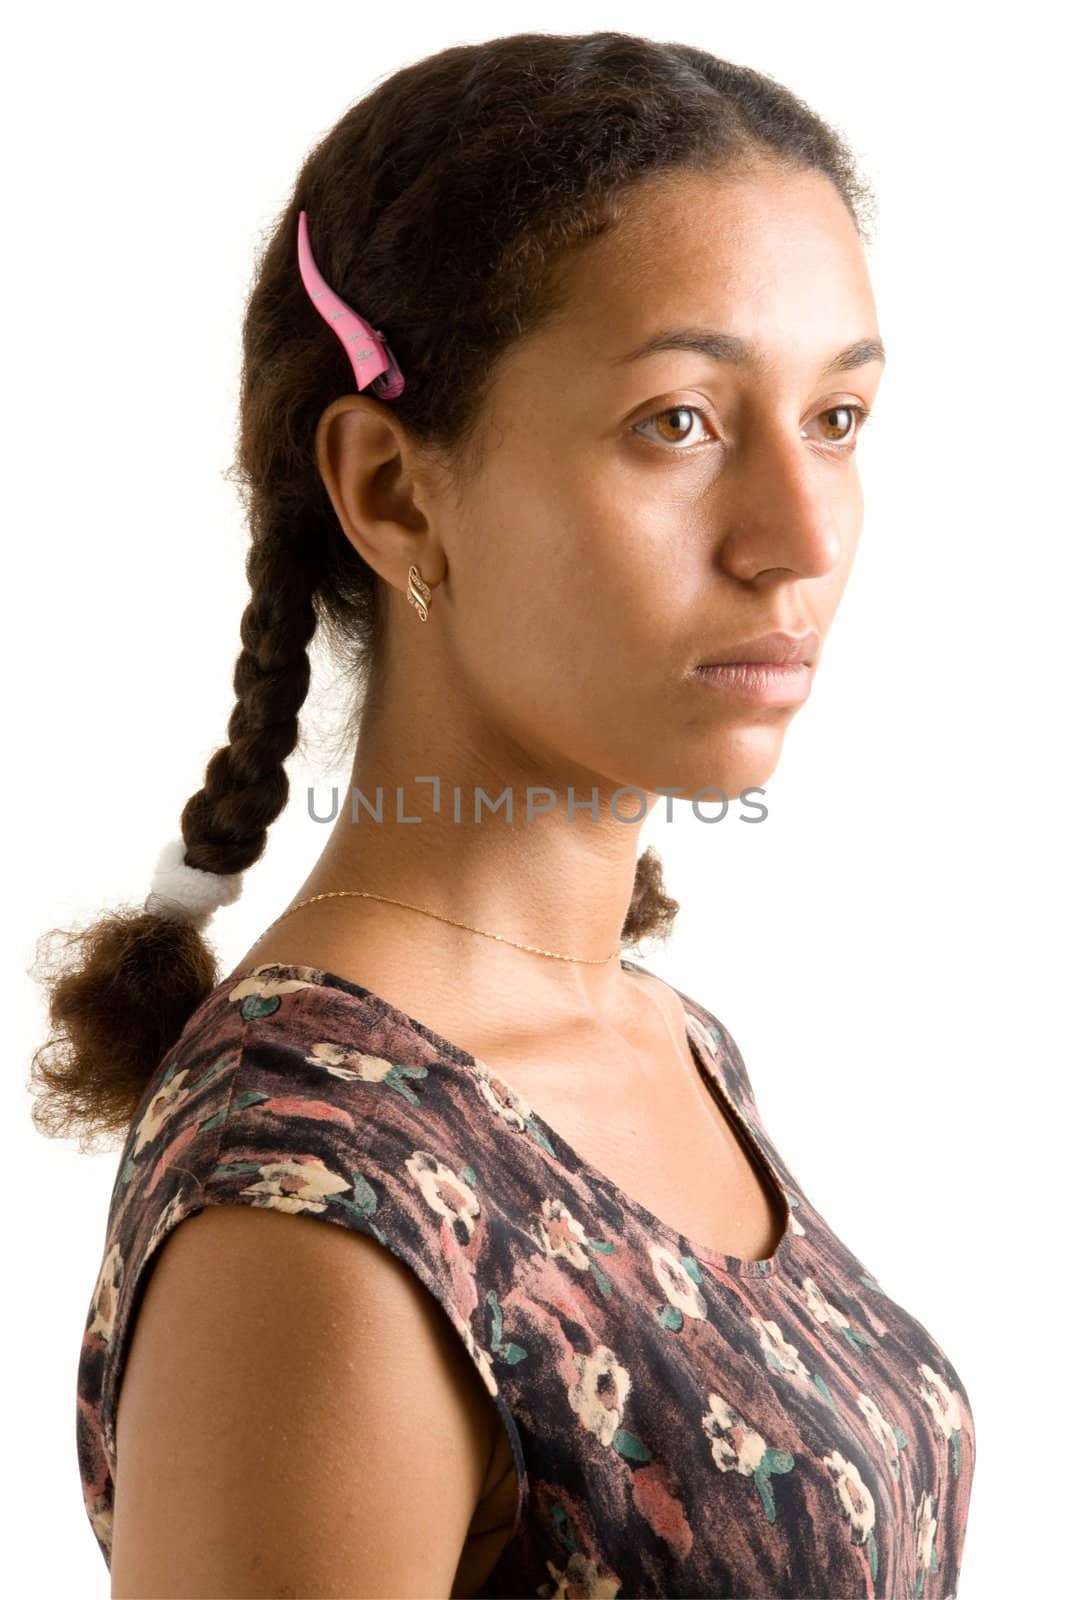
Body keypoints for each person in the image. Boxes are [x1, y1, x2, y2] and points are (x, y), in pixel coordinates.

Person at [33, 29, 976, 1598]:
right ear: (395, 489)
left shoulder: (664, 1040)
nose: (797, 538)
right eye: (677, 420)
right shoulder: (317, 1211)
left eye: (837, 419)